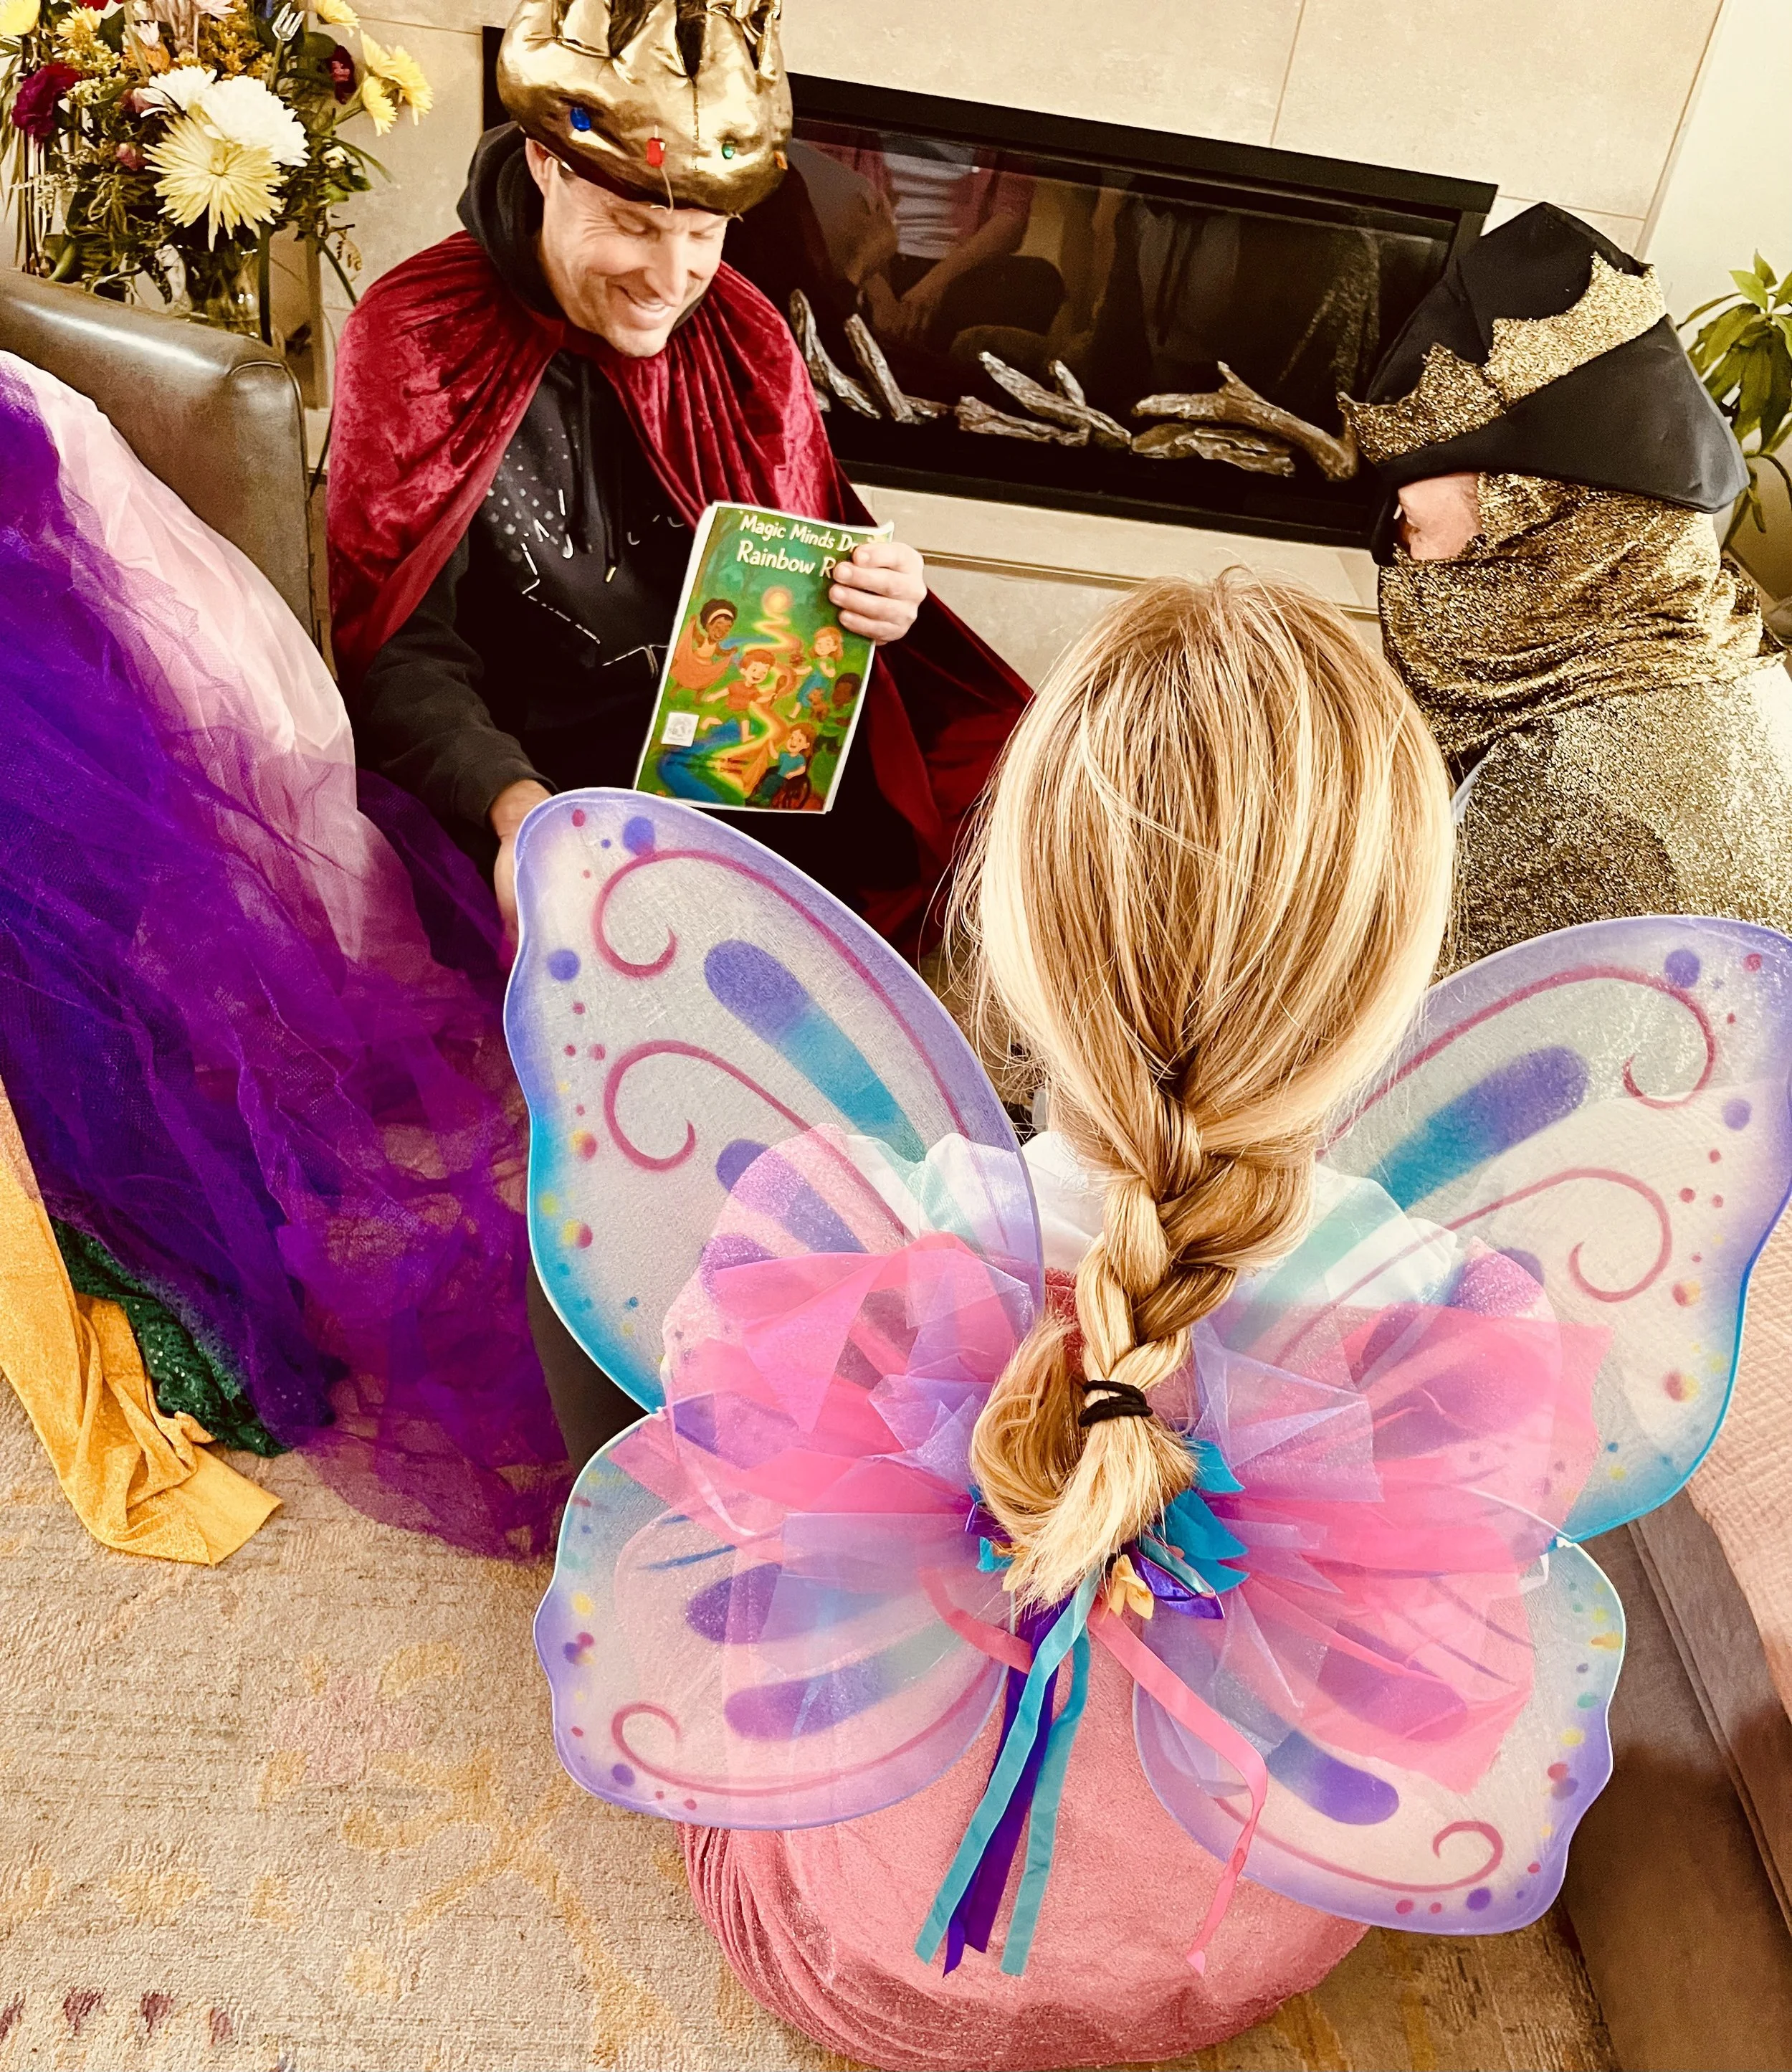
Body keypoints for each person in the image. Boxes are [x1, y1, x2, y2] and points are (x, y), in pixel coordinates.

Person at [326, 0, 1028, 953]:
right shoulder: (418, 335)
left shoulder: (744, 335)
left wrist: (875, 602)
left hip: (728, 785)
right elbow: (401, 648)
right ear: (545, 163)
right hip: (506, 781)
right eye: (631, 225)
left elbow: (794, 590)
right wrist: (521, 812)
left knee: (1022, 800)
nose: (671, 277)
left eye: (704, 234)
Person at [1344, 202, 1787, 968]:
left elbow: (1360, 1052)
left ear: (1546, 533)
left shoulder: (1572, 803)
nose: (1399, 564)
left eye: (1414, 527)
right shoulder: (1717, 670)